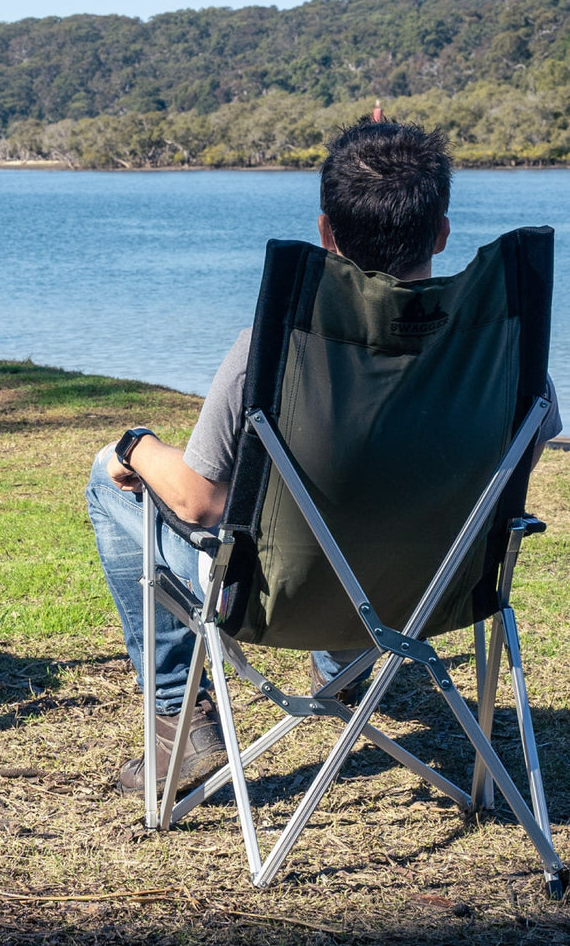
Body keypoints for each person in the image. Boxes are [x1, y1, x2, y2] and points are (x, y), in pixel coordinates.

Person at [87, 117, 562, 795]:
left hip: (287, 596)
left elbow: (198, 503)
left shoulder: (273, 352)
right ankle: (343, 657)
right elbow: (524, 453)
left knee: (108, 481)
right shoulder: (500, 356)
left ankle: (179, 724)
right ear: (442, 234)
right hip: (443, 592)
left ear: (326, 233)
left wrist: (135, 445)